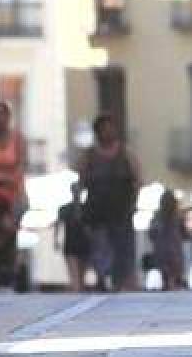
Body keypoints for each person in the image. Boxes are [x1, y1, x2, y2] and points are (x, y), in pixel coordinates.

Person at [77, 114, 141, 292]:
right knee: (100, 246)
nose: (108, 132)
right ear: (98, 131)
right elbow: (79, 181)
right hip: (97, 211)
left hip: (121, 210)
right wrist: (78, 207)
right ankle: (102, 277)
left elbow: (137, 179)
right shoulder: (89, 155)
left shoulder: (126, 153)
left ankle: (120, 281)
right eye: (104, 128)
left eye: (110, 127)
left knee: (122, 248)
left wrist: (134, 202)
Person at [54, 182, 90, 292]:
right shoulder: (65, 209)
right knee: (75, 274)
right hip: (71, 242)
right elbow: (58, 225)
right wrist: (56, 240)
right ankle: (77, 289)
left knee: (81, 274)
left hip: (84, 243)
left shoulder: (86, 209)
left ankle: (78, 290)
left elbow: (91, 227)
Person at [148, 190, 186, 291]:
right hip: (174, 250)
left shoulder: (157, 216)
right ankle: (175, 283)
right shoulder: (178, 217)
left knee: (165, 271)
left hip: (161, 250)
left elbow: (151, 233)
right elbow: (185, 234)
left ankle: (168, 284)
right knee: (174, 270)